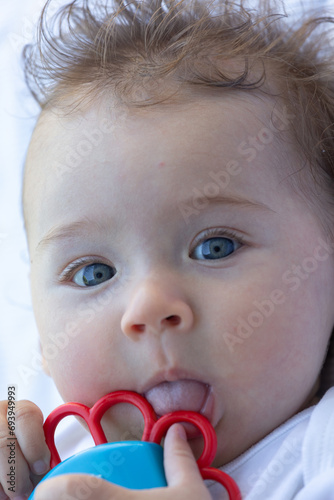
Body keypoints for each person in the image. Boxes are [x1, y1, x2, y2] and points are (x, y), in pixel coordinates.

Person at [2, 0, 334, 498]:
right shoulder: (43, 448)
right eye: (93, 273)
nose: (149, 306)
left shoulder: (318, 452)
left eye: (215, 247)